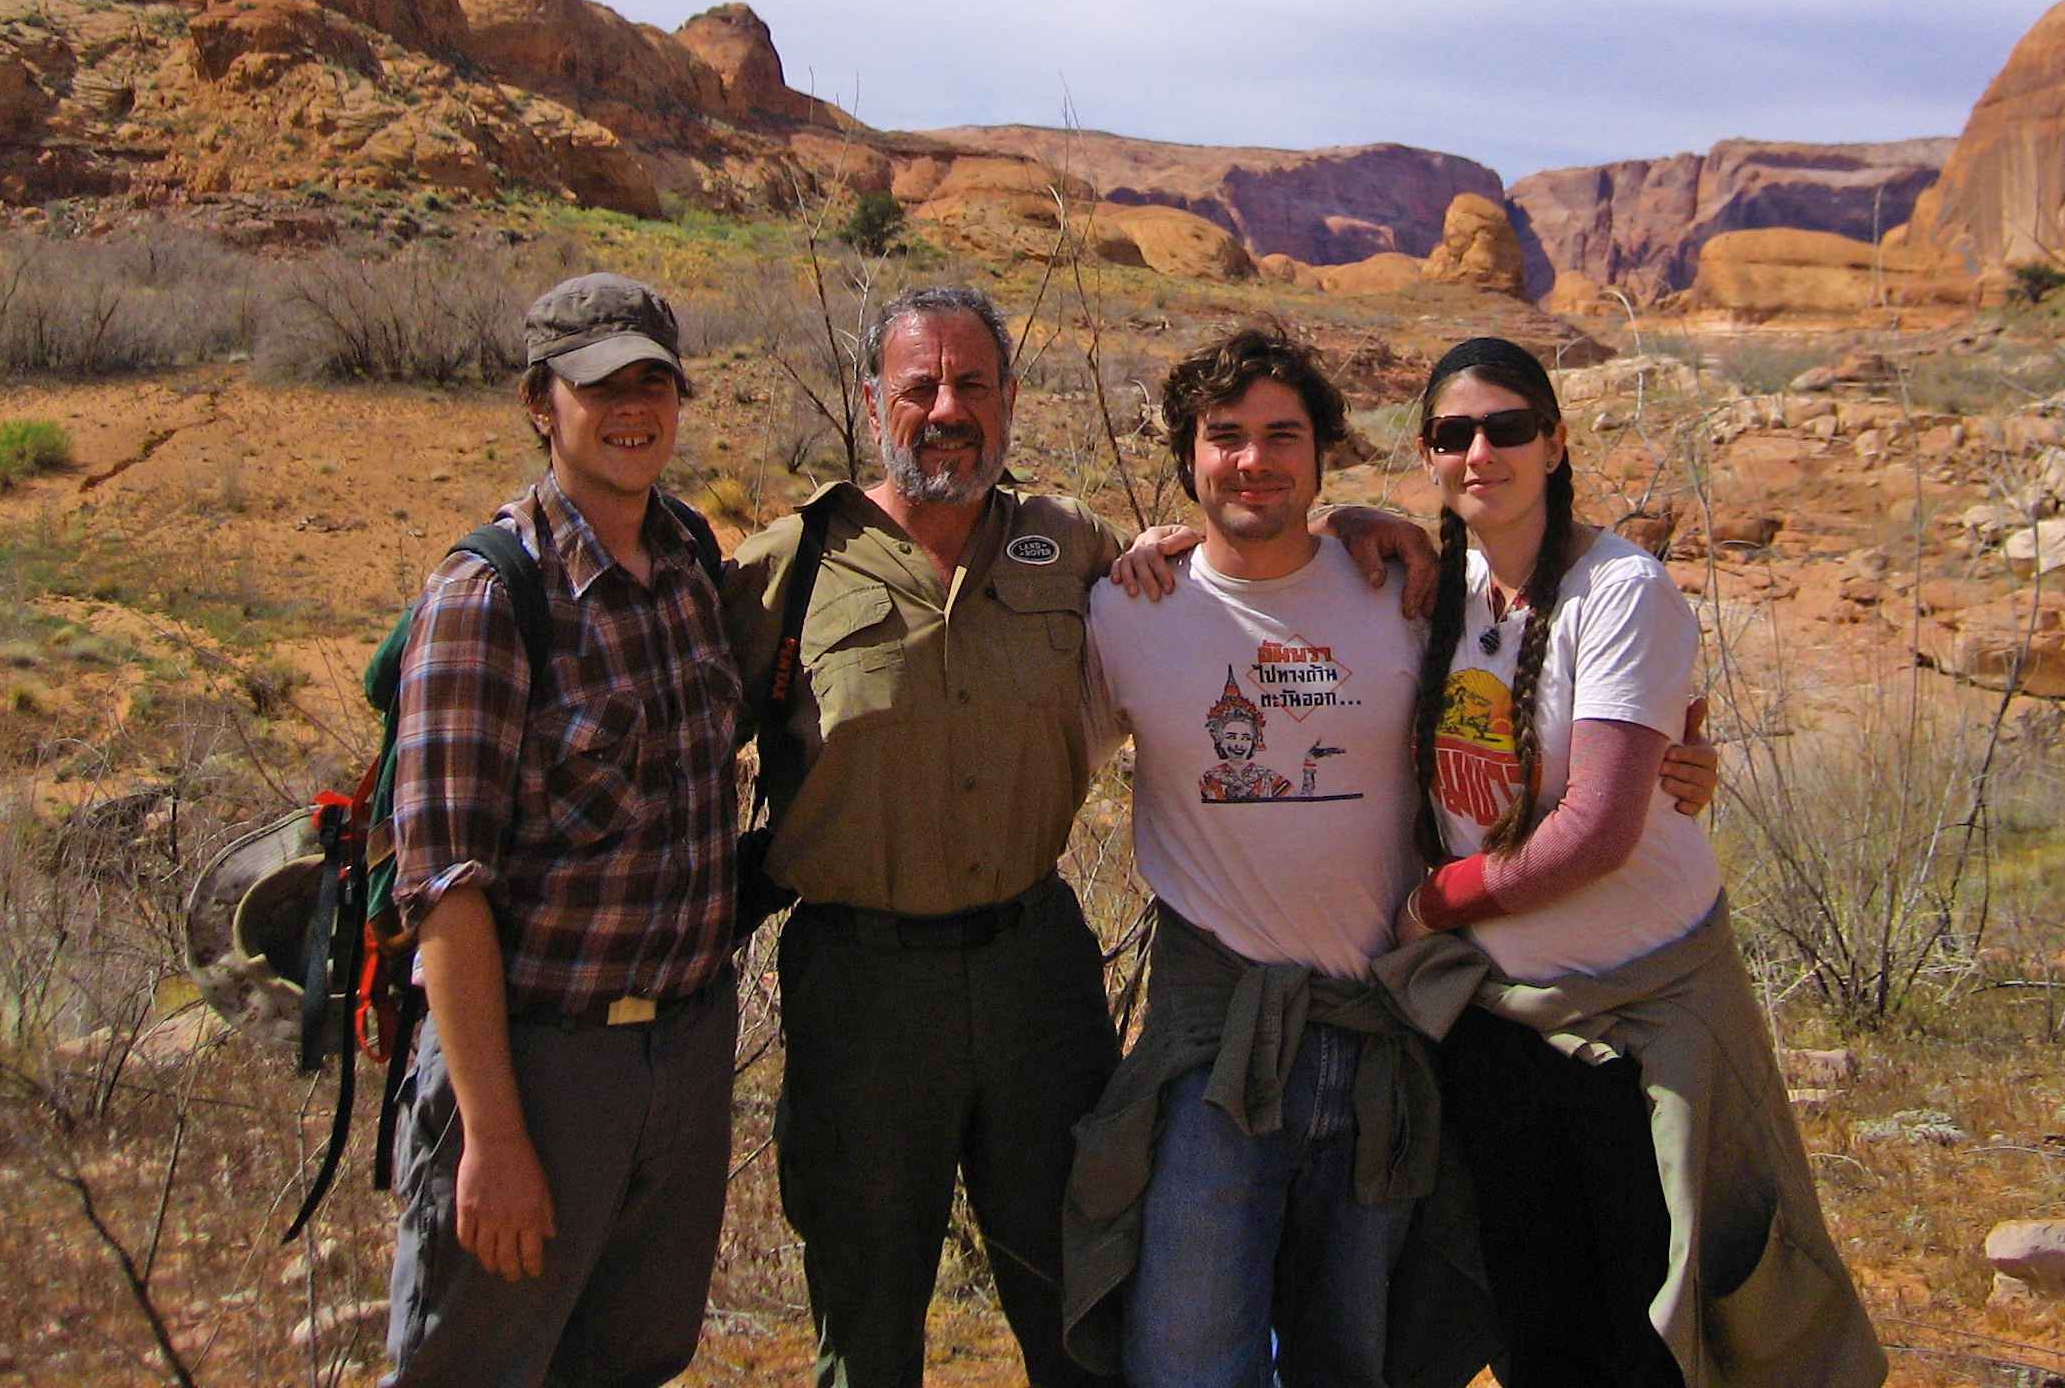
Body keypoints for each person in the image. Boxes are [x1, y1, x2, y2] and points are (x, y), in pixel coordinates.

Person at [725, 286, 1436, 1388]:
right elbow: (673, 743)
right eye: (920, 387)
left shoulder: (1069, 549)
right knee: (865, 1309)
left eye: (973, 384)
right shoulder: (793, 563)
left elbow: (1240, 541)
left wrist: (1356, 521)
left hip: (1034, 975)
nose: (947, 409)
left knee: (1083, 1292)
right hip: (861, 984)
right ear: (873, 403)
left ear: (1009, 400)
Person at [1062, 327, 1723, 1388]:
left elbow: (1529, 735)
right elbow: (1036, 762)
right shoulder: (1128, 610)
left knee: (1363, 1355)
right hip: (1219, 1038)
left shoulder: (1409, 593)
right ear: (1186, 455)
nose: (1252, 461)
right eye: (1224, 437)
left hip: (1389, 1028)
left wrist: (1667, 767)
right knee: (1187, 1355)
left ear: (1324, 453)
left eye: (1283, 436)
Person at [1395, 338, 1886, 1388]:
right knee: (1537, 1321)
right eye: (1452, 433)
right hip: (1498, 1019)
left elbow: (1597, 830)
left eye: (1507, 427)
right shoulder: (1437, 587)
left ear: (1555, 442)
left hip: (1644, 1015)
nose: (1480, 452)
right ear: (1427, 453)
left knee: (1665, 1328)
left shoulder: (1621, 591)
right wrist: (1354, 526)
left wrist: (1434, 904)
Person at [381, 273, 743, 1388]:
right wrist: (492, 1138)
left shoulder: (688, 562)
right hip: (539, 1065)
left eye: (653, 382)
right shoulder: (489, 597)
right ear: (541, 403)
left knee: (631, 1362)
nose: (632, 408)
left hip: (684, 1052)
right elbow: (445, 887)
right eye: (599, 385)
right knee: (476, 1368)